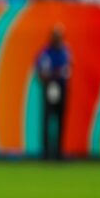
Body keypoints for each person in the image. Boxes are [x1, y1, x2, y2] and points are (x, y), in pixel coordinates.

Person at [36, 27, 71, 160]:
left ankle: (58, 152)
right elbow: (41, 70)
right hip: (50, 86)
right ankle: (46, 152)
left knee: (60, 119)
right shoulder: (45, 52)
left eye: (59, 36)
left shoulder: (65, 51)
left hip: (61, 87)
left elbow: (67, 69)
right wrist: (50, 76)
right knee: (47, 119)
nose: (57, 40)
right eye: (55, 37)